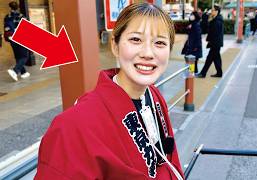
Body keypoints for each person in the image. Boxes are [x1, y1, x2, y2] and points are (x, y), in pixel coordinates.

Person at [35, 3, 184, 180]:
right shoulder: (72, 127)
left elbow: (167, 156)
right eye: (136, 39)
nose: (148, 53)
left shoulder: (154, 95)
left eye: (160, 43)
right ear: (115, 45)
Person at [4, 1, 30, 81]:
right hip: (20, 38)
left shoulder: (7, 17)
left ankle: (23, 73)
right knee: (25, 56)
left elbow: (6, 28)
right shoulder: (21, 16)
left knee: (18, 56)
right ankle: (14, 71)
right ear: (18, 7)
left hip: (11, 38)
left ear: (10, 7)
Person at [196, 4, 224, 78]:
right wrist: (205, 14)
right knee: (216, 58)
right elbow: (205, 25)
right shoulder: (215, 19)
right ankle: (219, 73)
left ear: (217, 11)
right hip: (216, 43)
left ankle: (203, 73)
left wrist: (210, 41)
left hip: (215, 43)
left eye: (212, 10)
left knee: (209, 58)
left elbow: (214, 33)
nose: (211, 11)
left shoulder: (217, 21)